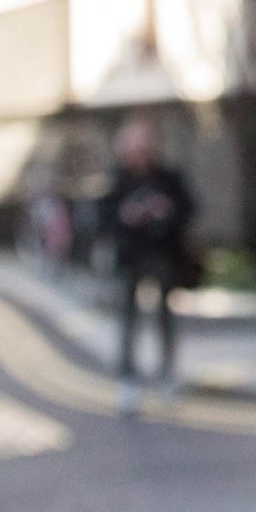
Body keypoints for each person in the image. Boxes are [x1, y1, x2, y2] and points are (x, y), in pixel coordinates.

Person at [100, 116, 196, 415]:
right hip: (131, 257)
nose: (139, 153)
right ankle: (128, 380)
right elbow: (105, 219)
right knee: (128, 320)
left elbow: (188, 208)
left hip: (164, 254)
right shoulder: (118, 181)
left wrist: (165, 212)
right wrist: (128, 216)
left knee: (165, 317)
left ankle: (166, 375)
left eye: (144, 146)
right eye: (133, 147)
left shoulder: (168, 178)